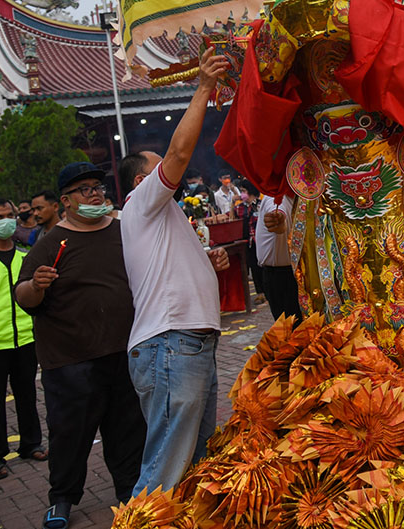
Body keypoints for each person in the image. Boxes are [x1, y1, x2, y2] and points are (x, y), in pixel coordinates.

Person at [117, 52, 233, 497]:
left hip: (189, 341)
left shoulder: (166, 217)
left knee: (195, 466)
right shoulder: (141, 204)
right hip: (171, 343)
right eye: (155, 168)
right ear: (139, 183)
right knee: (166, 467)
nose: (170, 173)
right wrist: (203, 87)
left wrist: (211, 264)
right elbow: (180, 151)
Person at [15, 161, 146, 525]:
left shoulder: (123, 229)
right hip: (71, 359)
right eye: (84, 189)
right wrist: (37, 285)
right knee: (70, 435)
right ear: (66, 201)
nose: (94, 193)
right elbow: (23, 295)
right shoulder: (51, 242)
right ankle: (62, 499)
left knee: (127, 429)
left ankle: (129, 491)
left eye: (97, 186)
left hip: (123, 350)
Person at [0, 198, 46, 482]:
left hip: (27, 340)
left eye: (10, 215)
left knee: (27, 394)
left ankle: (31, 444)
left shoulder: (26, 256)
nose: (7, 220)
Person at [255, 195, 301, 322]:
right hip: (281, 276)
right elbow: (277, 214)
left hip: (295, 272)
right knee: (291, 328)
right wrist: (277, 221)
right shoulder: (274, 197)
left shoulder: (300, 197)